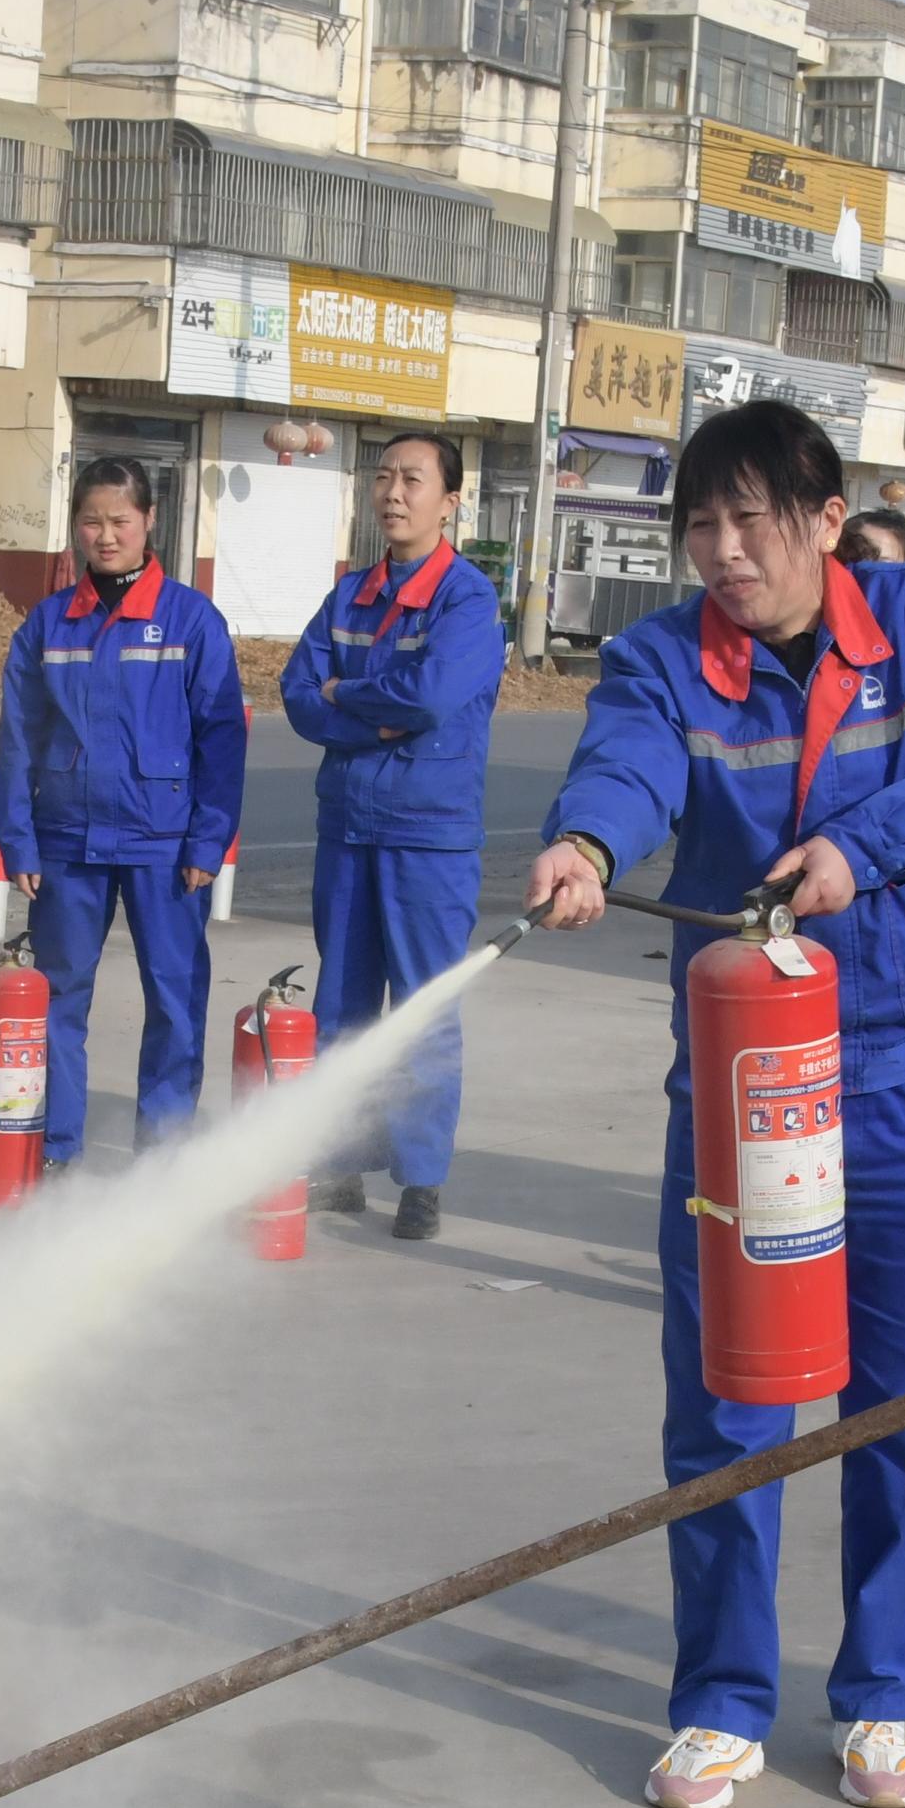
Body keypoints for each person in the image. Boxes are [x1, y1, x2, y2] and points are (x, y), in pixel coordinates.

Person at [525, 399, 905, 1808]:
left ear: (826, 520)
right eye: (698, 523)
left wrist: (859, 850)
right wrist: (585, 842)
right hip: (745, 1100)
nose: (720, 550)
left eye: (749, 520)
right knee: (728, 1406)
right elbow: (629, 765)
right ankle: (719, 1702)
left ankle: (881, 1697)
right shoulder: (657, 656)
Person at [0, 456, 248, 1173]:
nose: (104, 537)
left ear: (148, 523)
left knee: (173, 997)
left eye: (119, 522)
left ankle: (160, 1154)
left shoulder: (190, 621)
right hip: (66, 841)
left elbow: (222, 738)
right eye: (90, 522)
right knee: (57, 999)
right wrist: (19, 841)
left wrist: (207, 839)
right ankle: (56, 1149)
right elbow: (17, 738)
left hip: (164, 846)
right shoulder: (47, 625)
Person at [277, 430, 504, 1239]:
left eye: (412, 479)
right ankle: (339, 1166)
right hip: (348, 825)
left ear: (449, 501)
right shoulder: (349, 596)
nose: (392, 493)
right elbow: (297, 693)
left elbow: (431, 696)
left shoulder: (468, 601)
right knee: (341, 1004)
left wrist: (348, 696)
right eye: (382, 477)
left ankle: (421, 1180)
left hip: (427, 836)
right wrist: (360, 707)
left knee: (420, 1009)